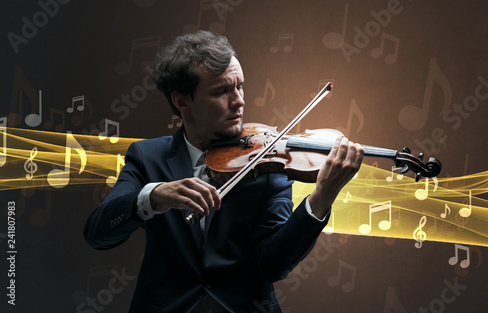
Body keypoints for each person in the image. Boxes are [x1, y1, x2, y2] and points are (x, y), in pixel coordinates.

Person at [84, 30, 364, 313]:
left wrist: (321, 199)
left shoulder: (266, 157)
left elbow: (273, 265)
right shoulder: (147, 157)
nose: (239, 100)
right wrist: (153, 197)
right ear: (182, 101)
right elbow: (98, 233)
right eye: (221, 91)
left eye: (240, 86)